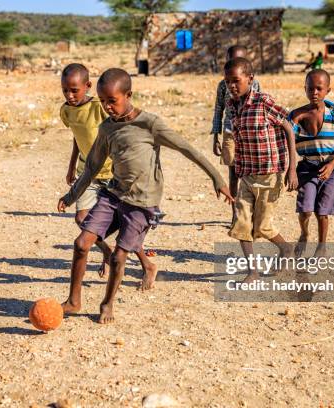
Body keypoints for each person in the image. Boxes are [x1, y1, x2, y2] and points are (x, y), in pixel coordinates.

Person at [58, 68, 234, 323]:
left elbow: (187, 149)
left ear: (128, 95)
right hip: (113, 195)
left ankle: (107, 303)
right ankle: (74, 301)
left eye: (112, 101)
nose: (107, 107)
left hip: (141, 203)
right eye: (103, 101)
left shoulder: (149, 124)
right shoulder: (107, 128)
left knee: (119, 256)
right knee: (81, 243)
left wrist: (217, 179)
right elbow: (92, 167)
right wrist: (71, 195)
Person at [60, 63, 156, 278]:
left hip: (112, 173)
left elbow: (116, 131)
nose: (69, 95)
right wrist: (71, 167)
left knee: (125, 223)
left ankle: (146, 264)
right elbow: (77, 138)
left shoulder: (99, 107)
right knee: (82, 218)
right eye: (64, 90)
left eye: (74, 90)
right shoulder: (66, 111)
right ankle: (107, 252)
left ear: (88, 86)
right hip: (89, 173)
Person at [224, 57, 298, 282]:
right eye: (228, 82)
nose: (232, 86)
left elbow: (288, 127)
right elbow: (237, 144)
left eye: (236, 80)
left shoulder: (263, 101)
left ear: (250, 79)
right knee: (242, 224)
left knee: (263, 226)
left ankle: (286, 249)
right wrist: (234, 183)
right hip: (246, 174)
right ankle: (252, 271)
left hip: (269, 174)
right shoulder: (231, 106)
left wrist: (292, 167)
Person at [287, 69, 334, 258]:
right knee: (305, 210)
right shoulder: (297, 115)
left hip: (331, 168)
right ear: (304, 89)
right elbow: (288, 143)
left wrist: (331, 166)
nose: (314, 92)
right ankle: (304, 233)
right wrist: (291, 171)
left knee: (322, 213)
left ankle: (321, 246)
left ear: (327, 90)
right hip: (307, 168)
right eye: (310, 88)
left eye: (319, 88)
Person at [211, 45, 261, 224]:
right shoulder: (222, 85)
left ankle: (251, 212)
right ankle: (235, 213)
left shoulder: (254, 84)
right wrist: (215, 135)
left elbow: (259, 109)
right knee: (233, 174)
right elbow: (219, 108)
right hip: (230, 132)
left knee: (251, 174)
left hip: (249, 132)